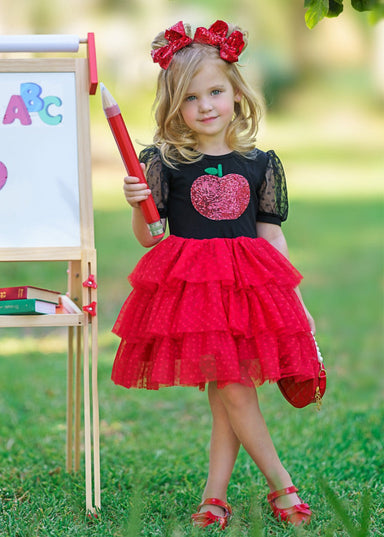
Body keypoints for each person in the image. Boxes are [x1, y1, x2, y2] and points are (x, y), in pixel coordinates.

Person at [111, 20, 318, 529]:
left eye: (215, 92)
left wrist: (294, 302)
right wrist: (139, 205)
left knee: (228, 393)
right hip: (196, 298)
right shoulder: (165, 163)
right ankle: (283, 487)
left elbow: (271, 238)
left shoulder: (259, 163)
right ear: (174, 106)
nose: (205, 106)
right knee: (232, 387)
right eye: (190, 98)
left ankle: (214, 498)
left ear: (236, 93)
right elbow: (150, 237)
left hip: (247, 293)